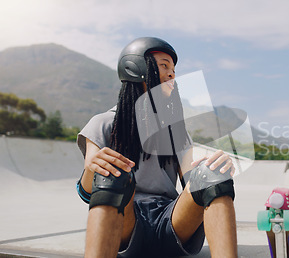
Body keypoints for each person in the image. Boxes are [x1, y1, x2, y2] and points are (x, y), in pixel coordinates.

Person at [75, 37, 238, 257]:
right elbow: (87, 191)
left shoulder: (176, 131)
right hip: (126, 222)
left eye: (173, 69)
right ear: (135, 68)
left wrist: (211, 168)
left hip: (170, 222)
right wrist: (93, 168)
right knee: (112, 177)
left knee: (213, 175)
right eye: (164, 66)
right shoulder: (102, 123)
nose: (172, 74)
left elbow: (194, 183)